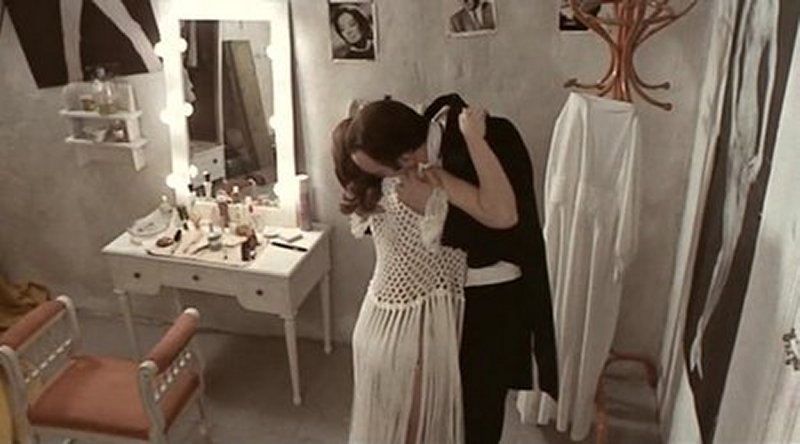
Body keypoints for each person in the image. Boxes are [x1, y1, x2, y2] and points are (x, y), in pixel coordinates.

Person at [346, 94, 559, 443]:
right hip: (418, 310)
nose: (385, 180)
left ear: (406, 158)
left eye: (384, 172)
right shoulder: (403, 163)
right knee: (425, 416)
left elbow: (515, 231)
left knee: (477, 416)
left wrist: (438, 213)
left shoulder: (493, 138)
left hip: (488, 305)